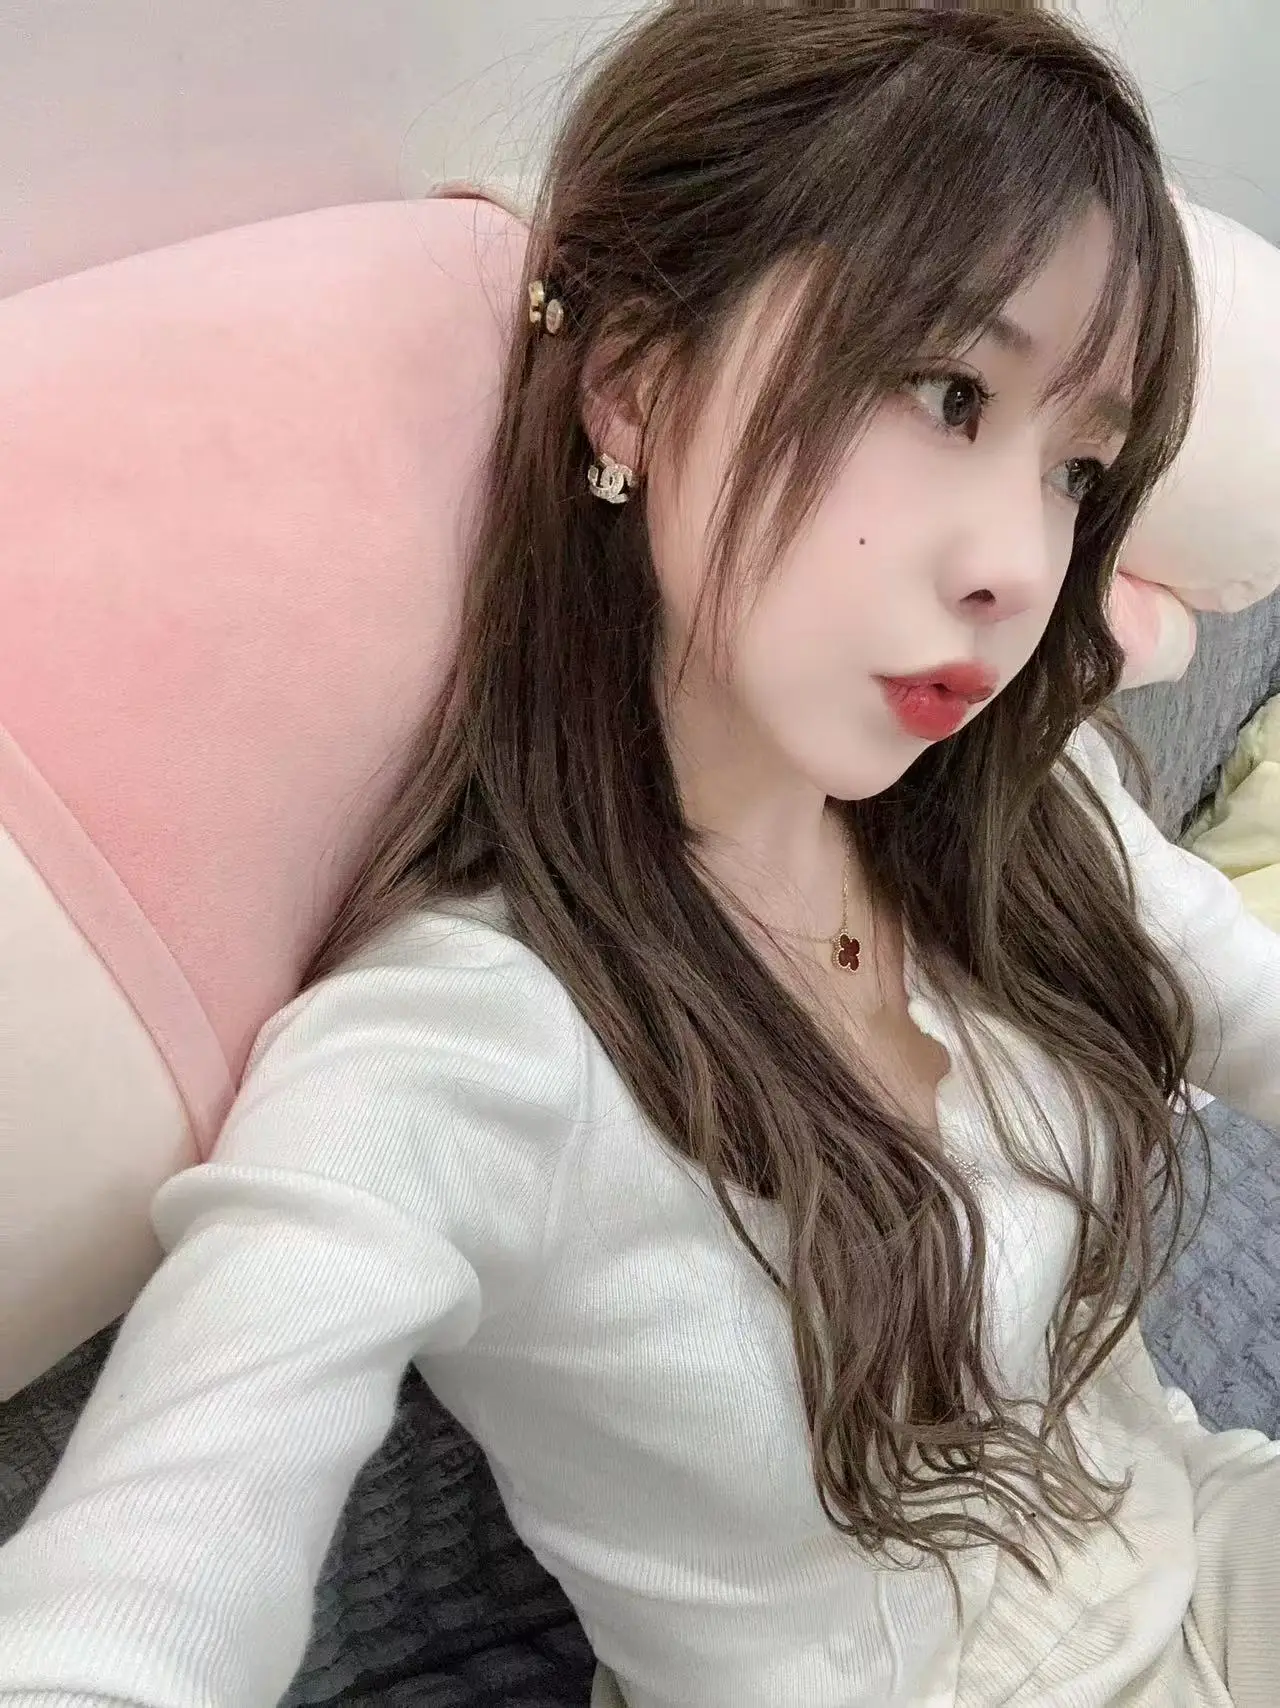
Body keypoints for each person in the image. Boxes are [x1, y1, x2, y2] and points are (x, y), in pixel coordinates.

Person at [2, 4, 1278, 1705]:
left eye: (1076, 467)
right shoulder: (473, 1044)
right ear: (634, 381)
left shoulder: (1027, 820)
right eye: (948, 391)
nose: (1016, 564)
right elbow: (148, 1577)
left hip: (1211, 1550)